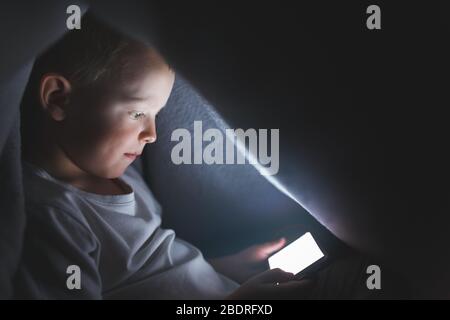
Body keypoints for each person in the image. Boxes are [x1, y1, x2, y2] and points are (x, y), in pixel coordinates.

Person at [14, 13, 313, 299]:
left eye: (155, 115)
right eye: (137, 113)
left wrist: (223, 267)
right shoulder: (50, 215)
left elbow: (156, 275)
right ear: (58, 98)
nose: (152, 134)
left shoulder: (120, 169)